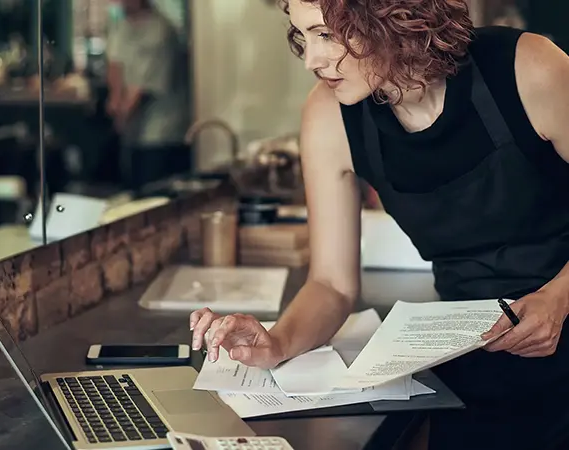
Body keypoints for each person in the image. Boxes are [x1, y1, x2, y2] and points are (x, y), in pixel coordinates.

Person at [190, 1, 569, 449]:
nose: (312, 59)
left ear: (393, 18)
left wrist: (558, 297)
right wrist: (278, 342)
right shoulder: (330, 116)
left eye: (326, 35)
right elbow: (331, 284)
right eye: (303, 36)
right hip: (470, 358)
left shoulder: (529, 69)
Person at [105, 0, 189, 188]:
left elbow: (142, 89)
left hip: (160, 134)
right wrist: (115, 98)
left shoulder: (160, 30)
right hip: (133, 133)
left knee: (153, 196)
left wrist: (122, 115)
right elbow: (114, 64)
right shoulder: (122, 25)